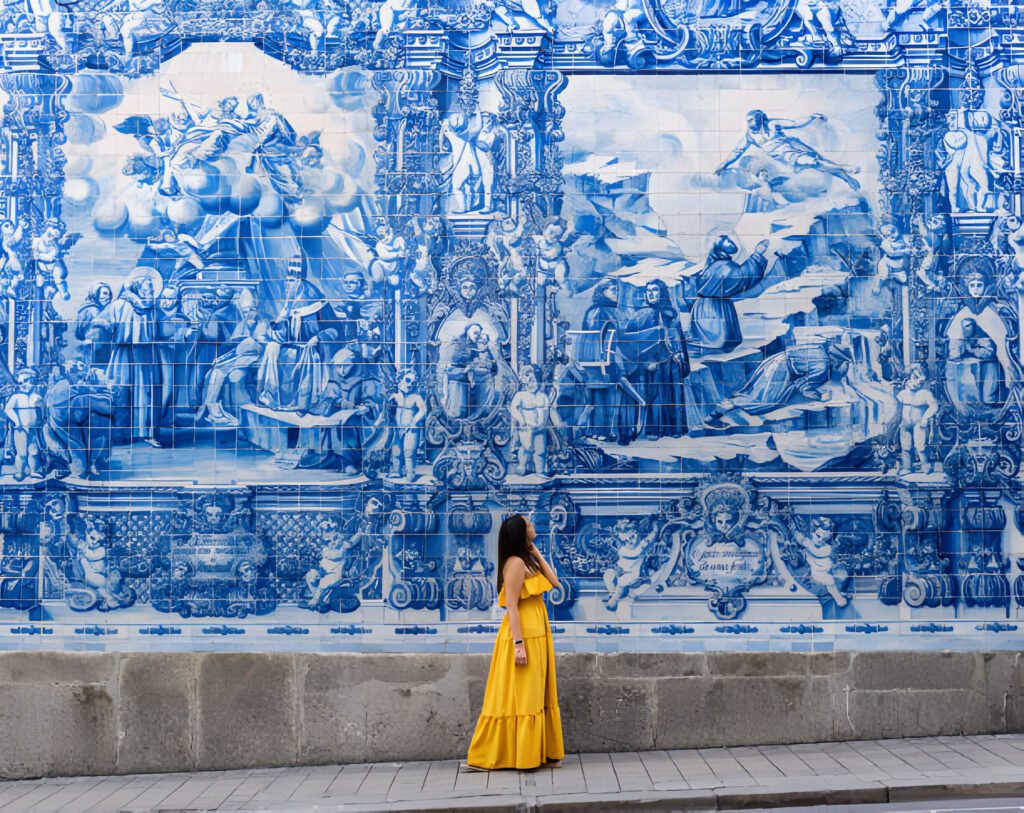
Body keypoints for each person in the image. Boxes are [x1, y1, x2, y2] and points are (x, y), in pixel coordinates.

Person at [466, 514, 564, 771]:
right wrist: (519, 645)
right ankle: (517, 755)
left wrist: (535, 551)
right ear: (521, 532)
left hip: (536, 630)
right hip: (523, 634)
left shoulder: (526, 560)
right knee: (524, 696)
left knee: (535, 694)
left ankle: (536, 753)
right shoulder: (516, 564)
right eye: (529, 524)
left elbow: (554, 582)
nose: (533, 525)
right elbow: (511, 605)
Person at [687, 236, 770, 358]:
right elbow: (742, 277)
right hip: (713, 309)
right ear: (720, 246)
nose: (731, 241)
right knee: (719, 342)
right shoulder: (723, 266)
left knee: (723, 341)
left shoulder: (719, 264)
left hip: (714, 305)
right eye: (727, 239)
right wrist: (757, 254)